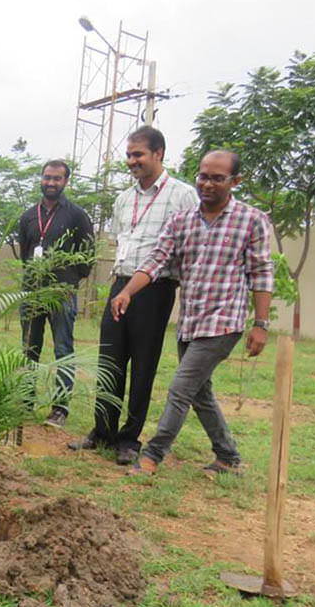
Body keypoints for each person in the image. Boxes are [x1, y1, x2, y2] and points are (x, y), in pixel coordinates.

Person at [111, 150, 274, 476]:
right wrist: (127, 291)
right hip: (190, 322)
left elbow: (261, 273)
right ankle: (228, 457)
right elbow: (157, 260)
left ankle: (152, 457)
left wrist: (261, 324)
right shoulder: (181, 221)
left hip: (224, 322)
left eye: (217, 178)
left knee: (181, 389)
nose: (207, 184)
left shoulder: (252, 220)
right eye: (203, 176)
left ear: (235, 181)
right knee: (200, 393)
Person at [69, 126, 198, 463]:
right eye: (128, 155)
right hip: (120, 284)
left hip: (156, 289)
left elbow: (191, 246)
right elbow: (119, 240)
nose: (131, 161)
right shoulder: (123, 199)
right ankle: (102, 431)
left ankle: (129, 439)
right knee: (109, 361)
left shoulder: (182, 195)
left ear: (158, 153)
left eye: (138, 154)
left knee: (143, 366)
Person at [16, 159, 93, 428]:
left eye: (56, 178)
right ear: (41, 178)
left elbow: (87, 256)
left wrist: (68, 280)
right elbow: (25, 253)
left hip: (62, 294)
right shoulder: (28, 216)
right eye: (47, 177)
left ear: (65, 181)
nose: (50, 182)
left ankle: (60, 408)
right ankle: (25, 401)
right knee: (29, 348)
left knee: (63, 350)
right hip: (31, 293)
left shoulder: (77, 215)